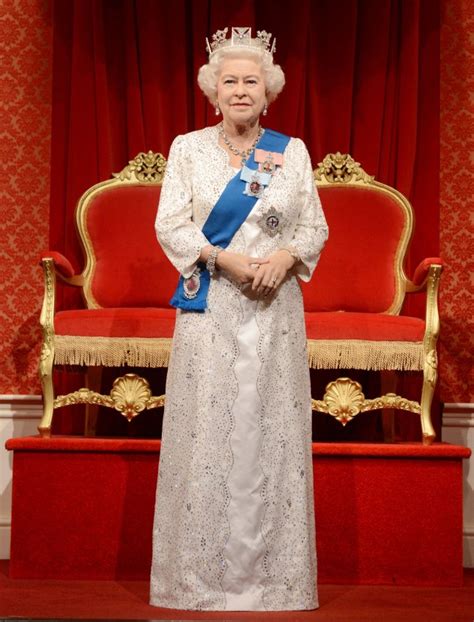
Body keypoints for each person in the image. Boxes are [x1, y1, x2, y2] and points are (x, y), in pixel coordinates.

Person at [150, 26, 328, 612]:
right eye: (230, 80)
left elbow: (314, 227)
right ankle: (197, 583)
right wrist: (220, 256)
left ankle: (275, 584)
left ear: (268, 90)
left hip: (274, 310)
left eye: (252, 80)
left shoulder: (290, 151)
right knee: (209, 433)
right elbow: (171, 224)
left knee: (267, 433)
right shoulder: (187, 149)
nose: (241, 90)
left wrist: (285, 257)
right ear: (213, 90)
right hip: (211, 308)